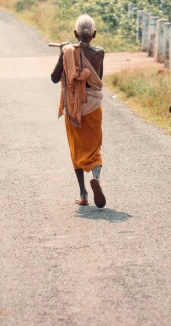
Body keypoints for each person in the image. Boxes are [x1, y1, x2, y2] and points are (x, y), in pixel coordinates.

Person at [51, 14, 107, 208]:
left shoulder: (67, 51)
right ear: (94, 34)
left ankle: (83, 193)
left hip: (74, 109)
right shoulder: (99, 52)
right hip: (93, 107)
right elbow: (98, 79)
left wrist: (62, 53)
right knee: (94, 148)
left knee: (77, 148)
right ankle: (97, 178)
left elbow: (54, 77)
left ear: (75, 34)